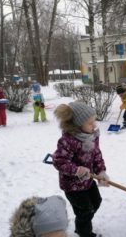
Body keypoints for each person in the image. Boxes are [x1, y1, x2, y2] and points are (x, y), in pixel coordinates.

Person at [53, 101, 109, 237]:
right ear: (77, 125)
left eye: (93, 121)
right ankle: (85, 233)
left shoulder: (92, 136)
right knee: (85, 212)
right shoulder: (68, 141)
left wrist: (101, 172)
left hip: (88, 181)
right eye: (90, 123)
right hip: (72, 186)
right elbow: (59, 161)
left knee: (96, 202)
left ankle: (82, 223)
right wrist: (76, 170)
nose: (94, 125)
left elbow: (96, 155)